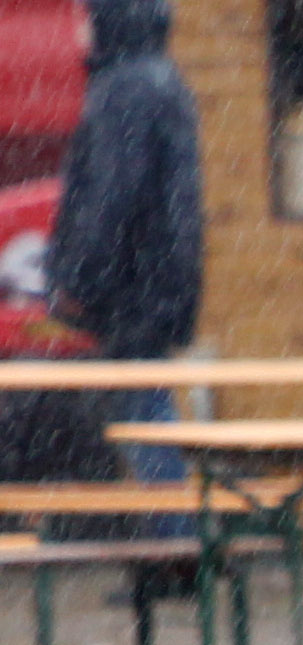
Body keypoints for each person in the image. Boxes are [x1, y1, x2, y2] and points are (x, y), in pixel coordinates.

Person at [47, 0, 202, 486]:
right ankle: (172, 542)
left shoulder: (123, 90)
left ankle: (175, 545)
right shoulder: (162, 81)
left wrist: (77, 279)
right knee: (145, 413)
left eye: (86, 17)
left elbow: (110, 199)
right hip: (156, 286)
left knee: (143, 420)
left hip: (130, 293)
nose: (79, 30)